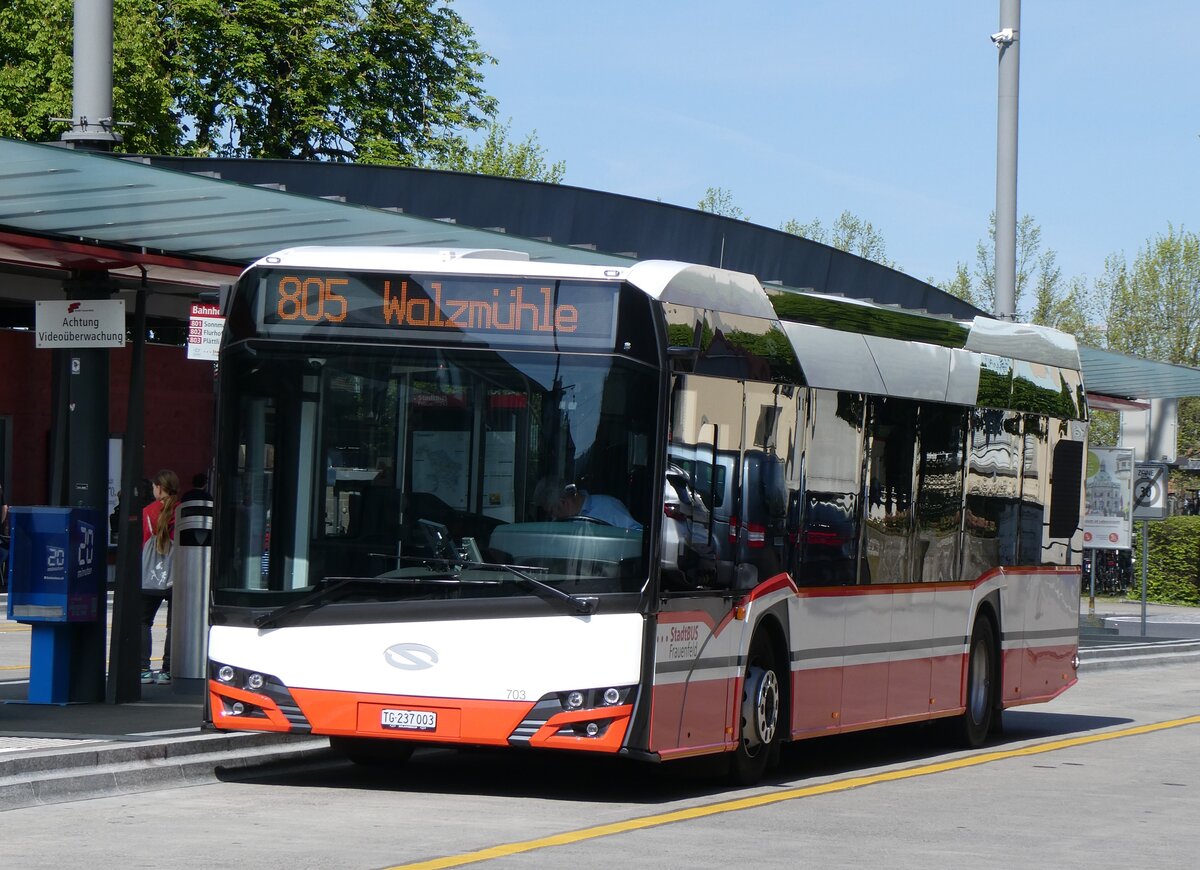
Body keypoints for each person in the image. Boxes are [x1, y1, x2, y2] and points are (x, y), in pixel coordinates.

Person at [141, 470, 180, 685]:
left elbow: (142, 542)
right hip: (178, 575)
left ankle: (143, 669)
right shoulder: (182, 510)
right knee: (173, 624)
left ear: (158, 487)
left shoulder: (148, 511)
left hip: (151, 575)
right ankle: (168, 670)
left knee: (143, 621)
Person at [552, 483, 642, 531]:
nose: (554, 518)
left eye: (552, 511)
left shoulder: (608, 506)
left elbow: (637, 534)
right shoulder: (561, 526)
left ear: (563, 502)